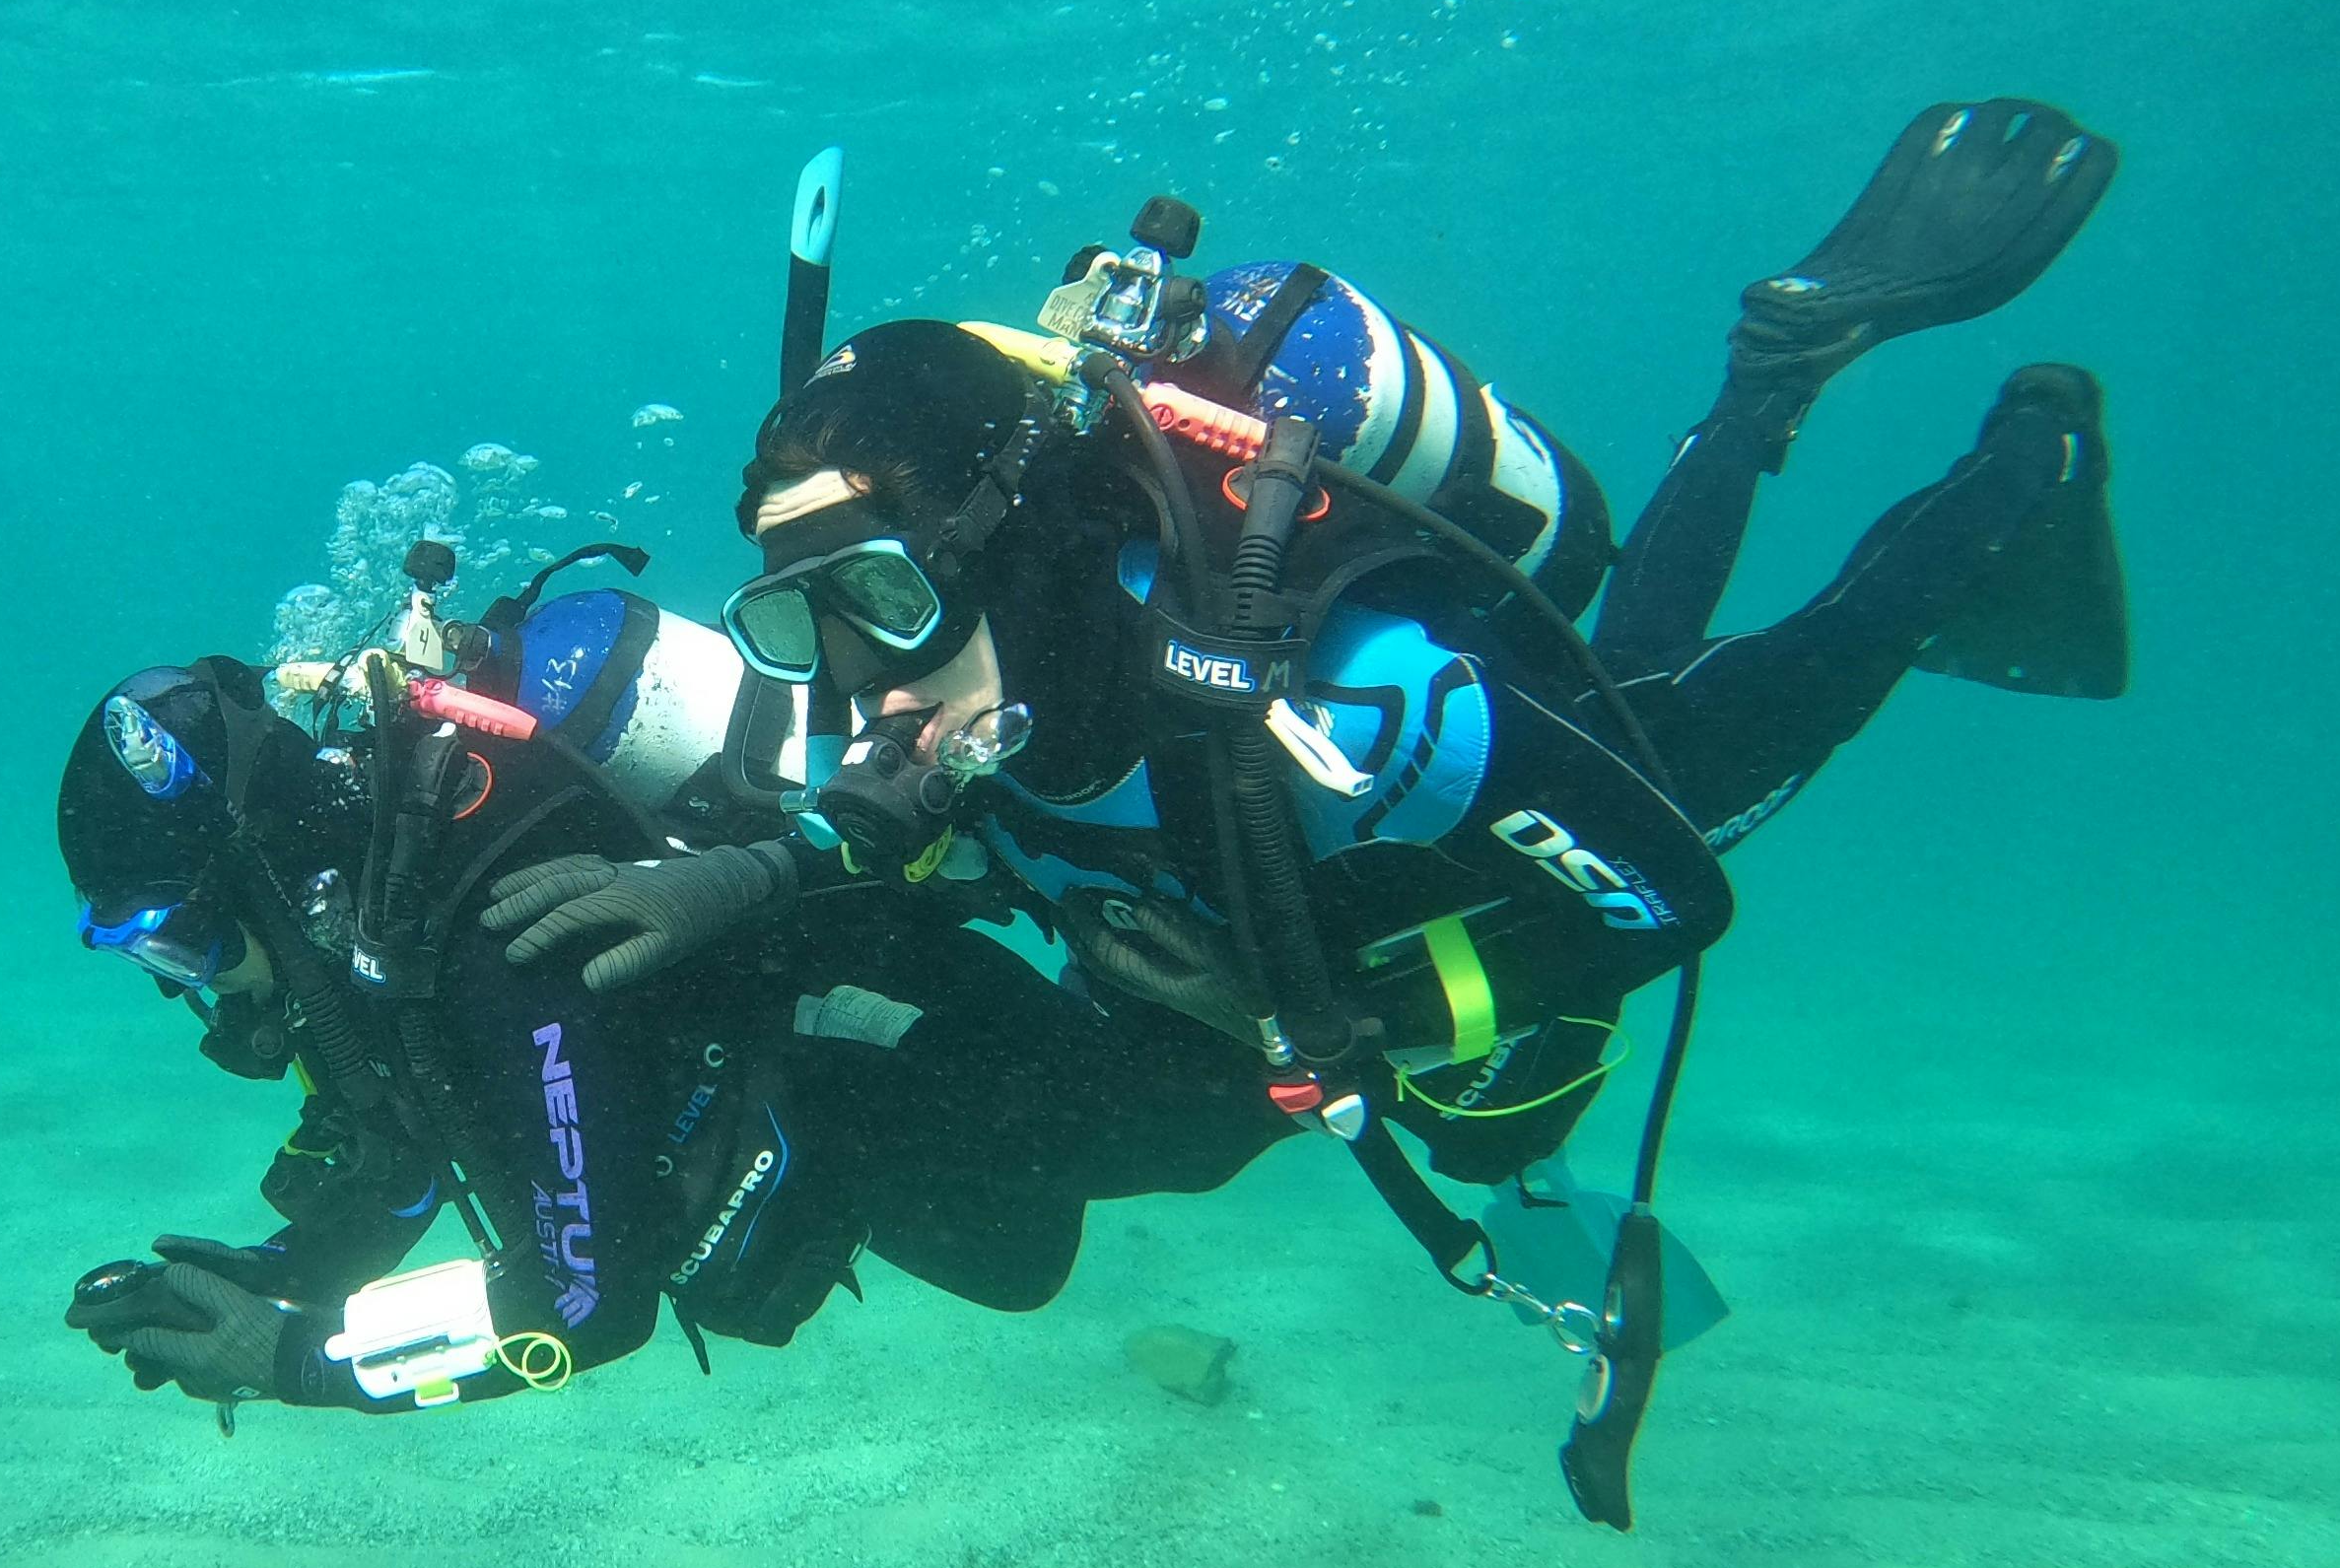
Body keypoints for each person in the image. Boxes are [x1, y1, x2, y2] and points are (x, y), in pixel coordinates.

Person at [497, 98, 2128, 1203]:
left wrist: (1359, 1019)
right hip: (1407, 820)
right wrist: (732, 882)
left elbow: (1668, 900)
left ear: (1021, 551)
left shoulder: (1355, 707)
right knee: (1637, 654)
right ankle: (1767, 380)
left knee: (1705, 734)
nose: (862, 681)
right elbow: (882, 819)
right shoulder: (965, 693)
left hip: (1488, 814)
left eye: (887, 602)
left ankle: (2023, 456)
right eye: (805, 622)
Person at [50, 580, 1263, 1418]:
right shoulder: (376, 935)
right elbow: (400, 1152)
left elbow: (579, 1309)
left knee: (1207, 1113)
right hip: (867, 1112)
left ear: (265, 873)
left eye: (179, 941)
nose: (196, 989)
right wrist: (285, 1268)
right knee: (1014, 1264)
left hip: (943, 1040)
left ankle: (1311, 987)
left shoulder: (499, 945)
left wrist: (298, 1362)